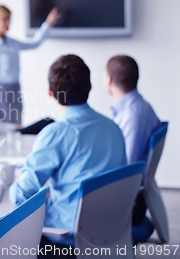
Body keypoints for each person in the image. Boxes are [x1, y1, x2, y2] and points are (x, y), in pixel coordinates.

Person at [9, 54, 126, 249]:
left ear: (50, 92)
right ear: (90, 87)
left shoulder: (56, 133)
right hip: (110, 233)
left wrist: (12, 184)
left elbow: (22, 195)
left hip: (67, 240)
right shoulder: (113, 128)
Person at [104, 55, 161, 228]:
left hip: (128, 203)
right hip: (130, 194)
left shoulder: (133, 115)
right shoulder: (137, 107)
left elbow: (126, 166)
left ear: (109, 80)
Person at [0, 5, 61, 125]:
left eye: (9, 20)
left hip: (15, 89)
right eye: (5, 20)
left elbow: (34, 43)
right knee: (5, 128)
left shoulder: (12, 43)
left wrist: (47, 24)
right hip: (2, 93)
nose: (8, 24)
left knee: (17, 125)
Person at [104, 55, 161, 164]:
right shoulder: (140, 107)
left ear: (109, 80)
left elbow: (127, 163)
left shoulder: (133, 115)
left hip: (127, 179)